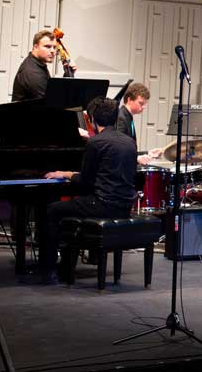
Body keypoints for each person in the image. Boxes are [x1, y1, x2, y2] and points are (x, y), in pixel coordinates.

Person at [39, 97, 137, 283]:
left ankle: (50, 269)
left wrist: (65, 173)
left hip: (102, 205)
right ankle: (65, 266)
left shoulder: (95, 143)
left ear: (92, 119)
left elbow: (85, 181)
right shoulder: (129, 142)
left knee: (53, 210)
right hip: (124, 206)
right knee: (71, 208)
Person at [114, 82, 165, 166]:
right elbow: (119, 149)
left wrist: (148, 153)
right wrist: (137, 159)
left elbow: (129, 150)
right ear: (129, 100)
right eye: (141, 103)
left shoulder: (127, 116)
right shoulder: (121, 118)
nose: (144, 107)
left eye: (144, 104)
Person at [12, 30, 58, 101]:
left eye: (54, 47)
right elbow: (50, 103)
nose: (52, 51)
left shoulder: (37, 64)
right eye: (47, 46)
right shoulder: (32, 72)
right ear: (36, 47)